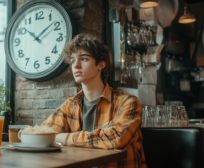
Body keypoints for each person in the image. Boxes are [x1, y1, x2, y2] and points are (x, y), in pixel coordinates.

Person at [42, 33, 147, 168]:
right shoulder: (69, 106)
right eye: (73, 61)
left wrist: (63, 138)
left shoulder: (128, 102)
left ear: (101, 65)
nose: (76, 65)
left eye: (84, 59)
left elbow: (115, 138)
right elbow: (43, 133)